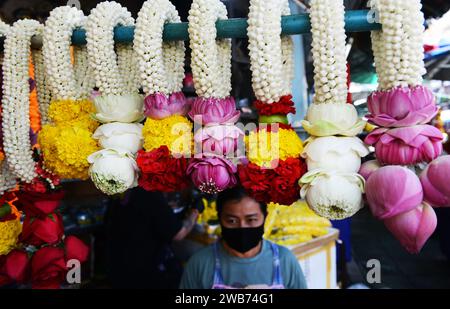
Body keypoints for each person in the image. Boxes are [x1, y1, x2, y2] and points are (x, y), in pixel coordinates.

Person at [180, 186, 307, 289]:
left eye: (251, 219)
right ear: (220, 218)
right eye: (232, 221)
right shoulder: (200, 263)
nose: (242, 227)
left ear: (265, 217)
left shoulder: (285, 260)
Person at [105, 186, 198, 289]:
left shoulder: (124, 188)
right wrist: (194, 213)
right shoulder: (150, 193)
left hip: (119, 269)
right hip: (142, 275)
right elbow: (179, 234)